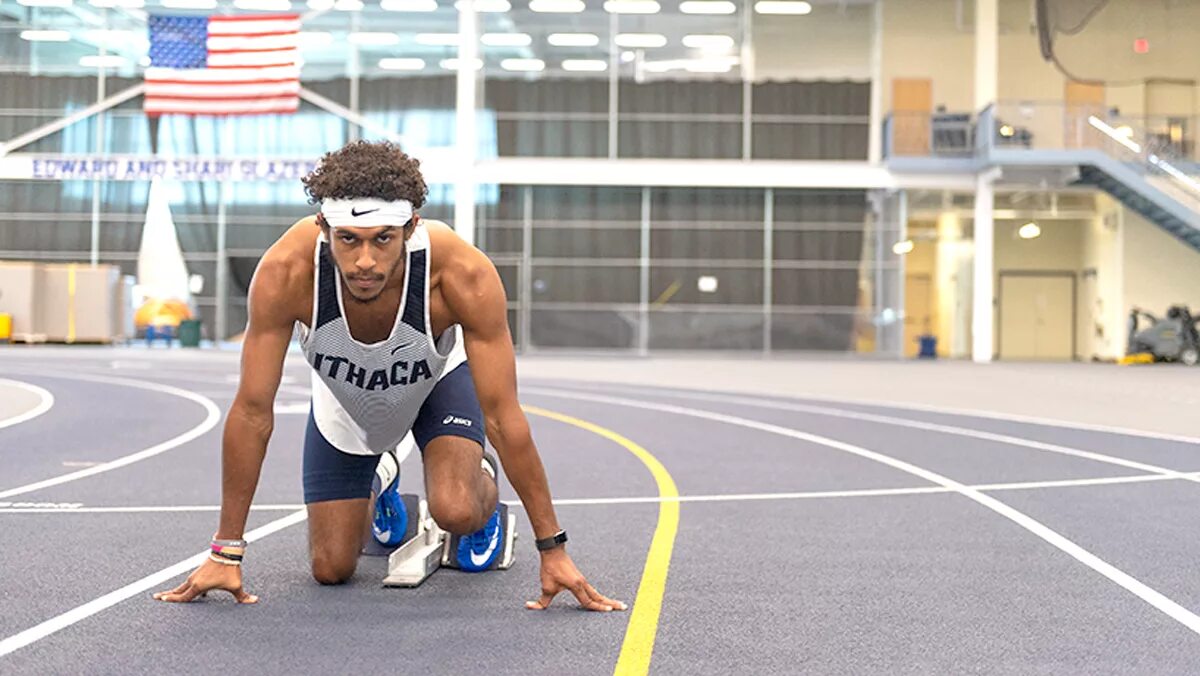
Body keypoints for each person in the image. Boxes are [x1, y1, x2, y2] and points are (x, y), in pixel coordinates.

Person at [154, 141, 625, 613]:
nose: (364, 261)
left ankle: (480, 487)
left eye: (383, 239)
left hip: (435, 381)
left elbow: (503, 417)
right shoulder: (286, 273)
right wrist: (225, 550)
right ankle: (383, 480)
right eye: (348, 240)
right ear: (323, 229)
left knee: (455, 509)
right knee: (331, 568)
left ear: (411, 227)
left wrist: (554, 548)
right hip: (345, 397)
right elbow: (252, 412)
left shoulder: (461, 273)